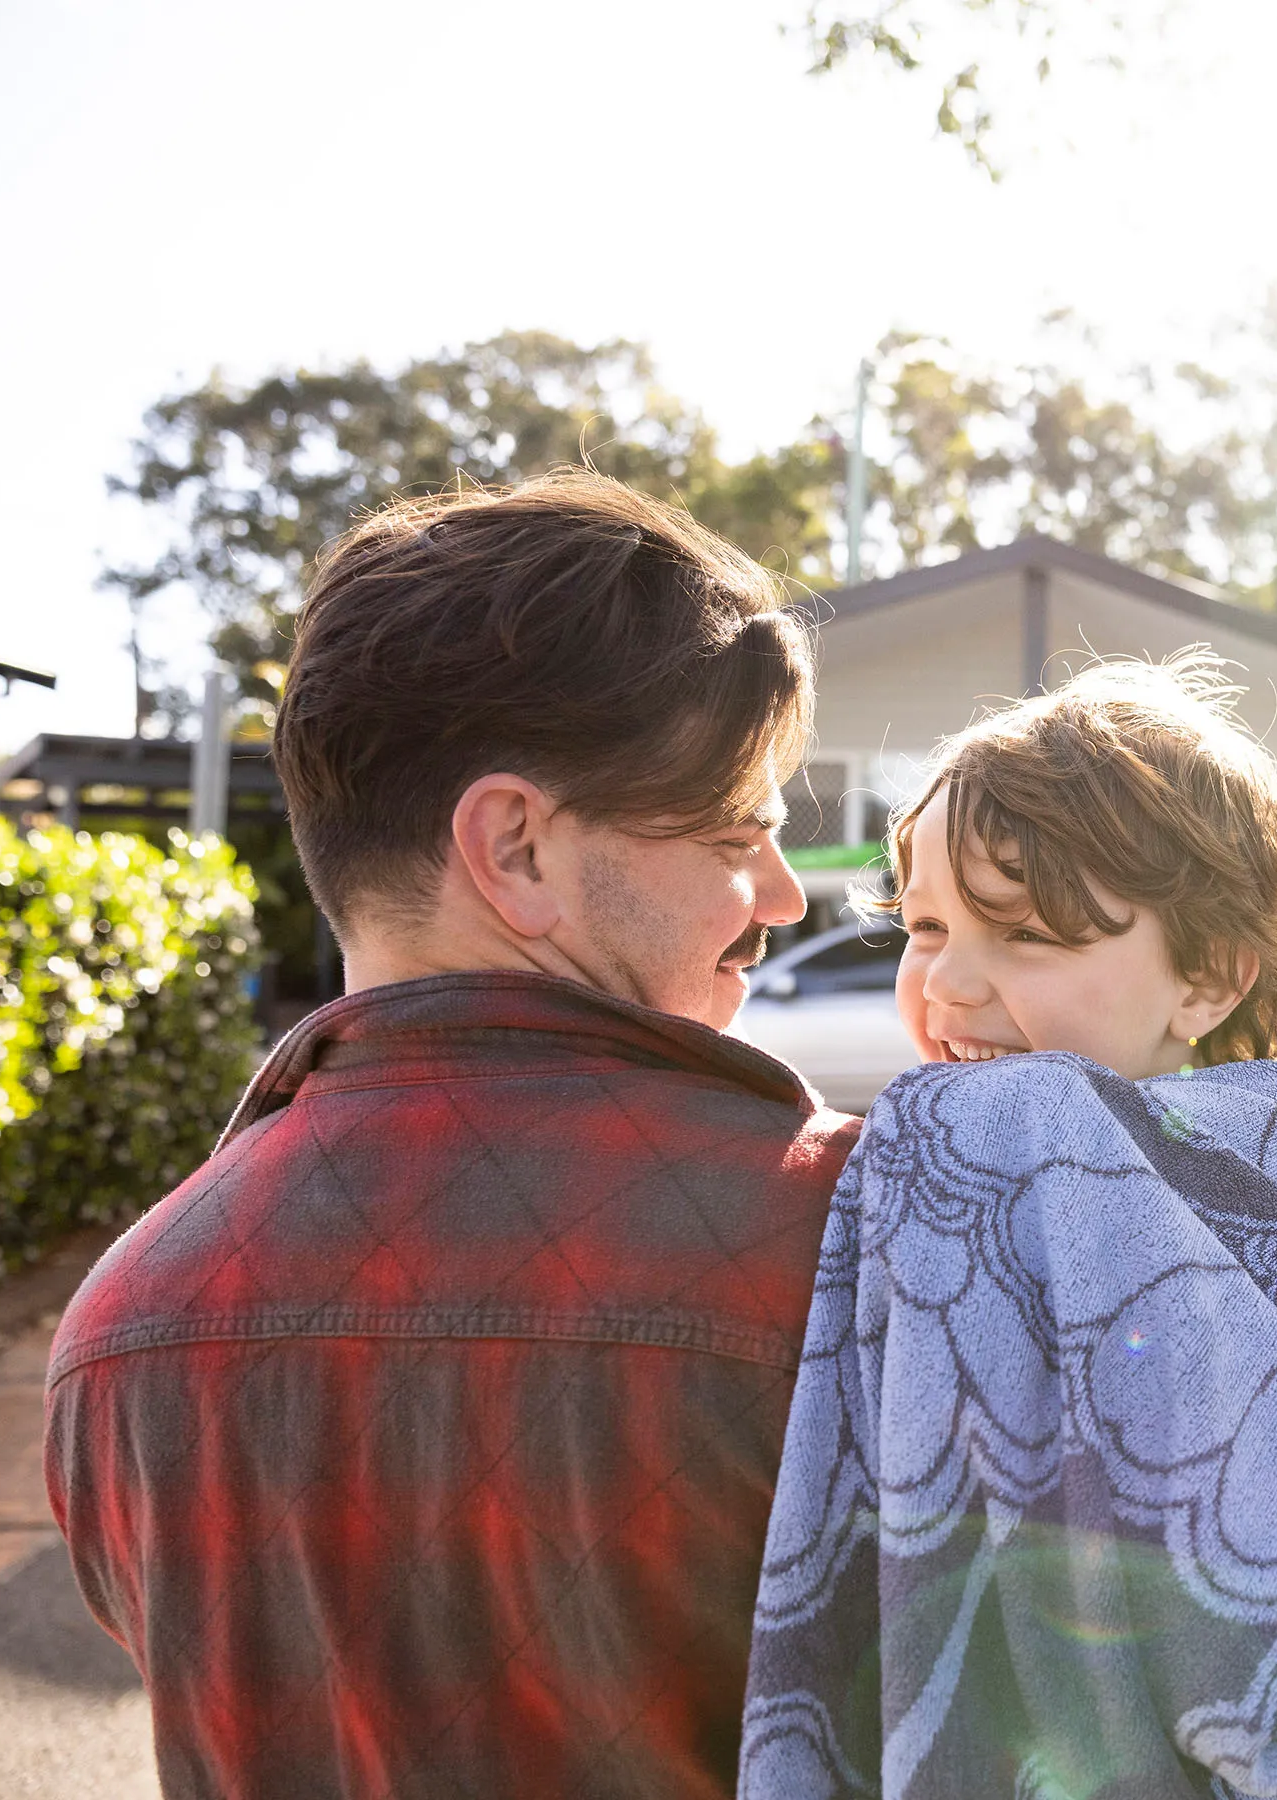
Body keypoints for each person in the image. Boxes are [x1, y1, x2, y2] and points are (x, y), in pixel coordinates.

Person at [43, 472, 862, 1799]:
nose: (778, 891)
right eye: (734, 830)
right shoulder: (865, 1235)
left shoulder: (118, 1329)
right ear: (516, 850)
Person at [741, 658, 1277, 1799]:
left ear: (1206, 978)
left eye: (1026, 936)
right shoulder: (953, 1159)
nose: (946, 984)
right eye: (927, 926)